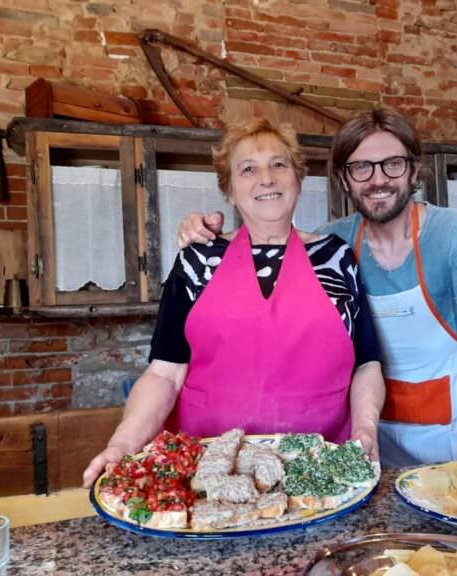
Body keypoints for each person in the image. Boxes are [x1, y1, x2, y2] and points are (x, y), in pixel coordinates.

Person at [176, 109, 457, 469]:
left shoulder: (453, 232)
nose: (378, 180)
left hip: (444, 441)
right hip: (357, 441)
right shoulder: (331, 244)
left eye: (392, 164)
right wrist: (206, 232)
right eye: (361, 167)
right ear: (344, 179)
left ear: (414, 170)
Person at [83, 118, 384, 486]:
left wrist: (366, 430)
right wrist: (124, 443)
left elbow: (366, 363)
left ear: (298, 179)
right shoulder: (197, 261)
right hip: (209, 472)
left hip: (319, 468)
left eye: (279, 164)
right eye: (247, 169)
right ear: (228, 190)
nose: (267, 178)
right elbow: (165, 371)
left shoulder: (335, 258)